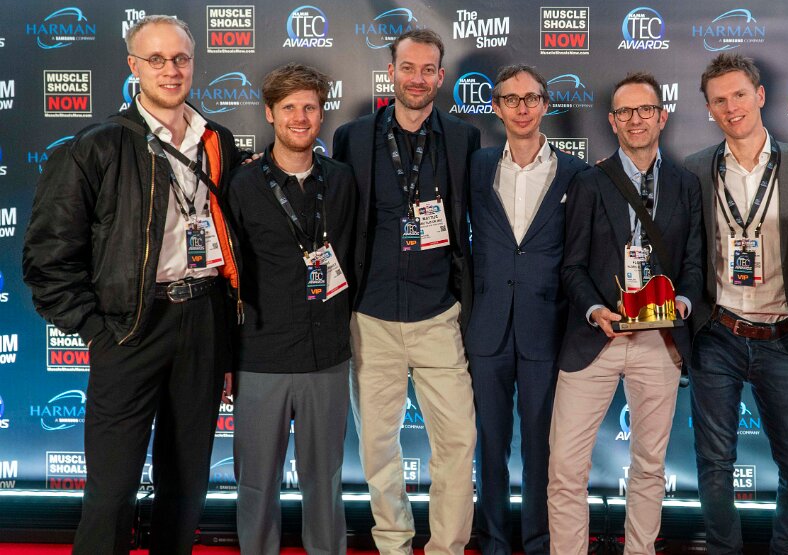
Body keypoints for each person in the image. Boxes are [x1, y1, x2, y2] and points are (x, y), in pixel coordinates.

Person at [22, 14, 241, 554]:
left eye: (181, 59)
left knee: (187, 483)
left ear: (193, 63)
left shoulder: (218, 140)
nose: (171, 70)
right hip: (130, 328)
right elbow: (47, 257)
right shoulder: (97, 146)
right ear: (133, 67)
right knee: (112, 489)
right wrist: (99, 331)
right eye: (157, 59)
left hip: (203, 319)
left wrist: (229, 333)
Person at [331, 28, 479, 555]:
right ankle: (393, 544)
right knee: (377, 447)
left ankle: (446, 548)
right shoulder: (352, 137)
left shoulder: (463, 138)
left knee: (458, 441)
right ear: (391, 72)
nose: (417, 79)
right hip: (371, 316)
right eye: (408, 68)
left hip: (439, 314)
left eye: (428, 70)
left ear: (441, 76)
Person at [548, 71, 704, 554]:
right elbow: (571, 265)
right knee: (565, 467)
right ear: (612, 121)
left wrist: (681, 304)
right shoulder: (589, 182)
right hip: (596, 339)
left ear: (662, 116)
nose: (636, 119)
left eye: (645, 110)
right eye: (625, 112)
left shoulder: (686, 184)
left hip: (660, 340)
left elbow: (694, 264)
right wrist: (596, 309)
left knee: (650, 465)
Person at [683, 53, 788, 554]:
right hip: (718, 333)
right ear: (709, 109)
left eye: (739, 94)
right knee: (714, 463)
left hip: (784, 337)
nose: (731, 107)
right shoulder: (696, 169)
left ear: (760, 96)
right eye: (719, 100)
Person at [225, 63, 357, 554]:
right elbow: (228, 278)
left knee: (325, 483)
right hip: (261, 356)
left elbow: (353, 258)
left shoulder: (342, 181)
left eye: (309, 107)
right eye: (289, 108)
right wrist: (226, 358)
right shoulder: (242, 185)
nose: (300, 118)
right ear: (270, 113)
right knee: (256, 484)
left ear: (322, 113)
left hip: (328, 356)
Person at [466, 64, 588, 555]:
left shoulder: (576, 173)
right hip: (487, 329)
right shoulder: (476, 166)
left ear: (545, 104)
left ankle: (540, 542)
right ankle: (494, 542)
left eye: (531, 98)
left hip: (547, 328)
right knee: (489, 447)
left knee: (543, 449)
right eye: (511, 99)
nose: (522, 108)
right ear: (496, 107)